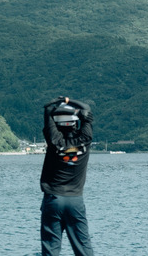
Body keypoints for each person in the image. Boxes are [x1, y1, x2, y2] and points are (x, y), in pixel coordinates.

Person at [40, 96, 94, 256]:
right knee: (83, 247)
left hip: (53, 199)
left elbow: (48, 110)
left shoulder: (54, 141)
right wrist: (69, 101)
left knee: (51, 247)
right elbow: (86, 109)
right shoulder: (85, 139)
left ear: (57, 124)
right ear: (76, 123)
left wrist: (57, 102)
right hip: (75, 200)